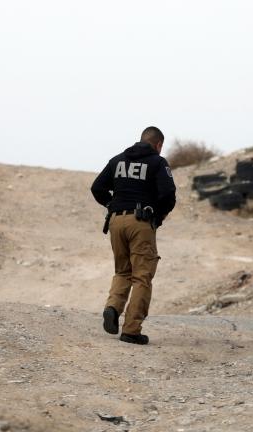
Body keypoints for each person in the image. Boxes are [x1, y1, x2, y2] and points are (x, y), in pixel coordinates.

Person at [91, 126, 176, 345]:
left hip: (116, 221)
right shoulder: (158, 162)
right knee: (142, 277)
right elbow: (168, 194)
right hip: (141, 222)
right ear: (158, 144)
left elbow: (97, 188)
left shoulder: (117, 160)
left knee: (122, 271)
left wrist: (112, 204)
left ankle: (112, 307)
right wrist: (157, 216)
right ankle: (131, 330)